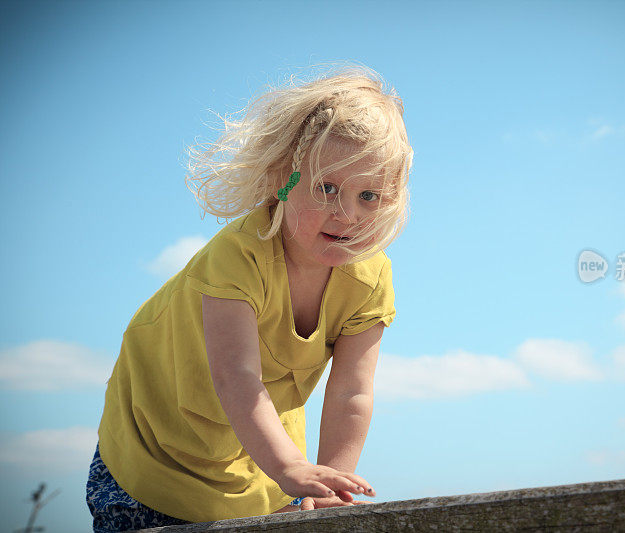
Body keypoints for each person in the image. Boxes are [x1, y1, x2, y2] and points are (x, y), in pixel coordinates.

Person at [85, 64, 413, 531]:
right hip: (155, 451)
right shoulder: (239, 256)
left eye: (369, 196)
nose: (347, 213)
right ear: (284, 178)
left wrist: (330, 484)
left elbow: (351, 392)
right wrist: (290, 468)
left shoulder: (369, 278)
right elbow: (236, 376)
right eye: (327, 188)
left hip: (256, 456)